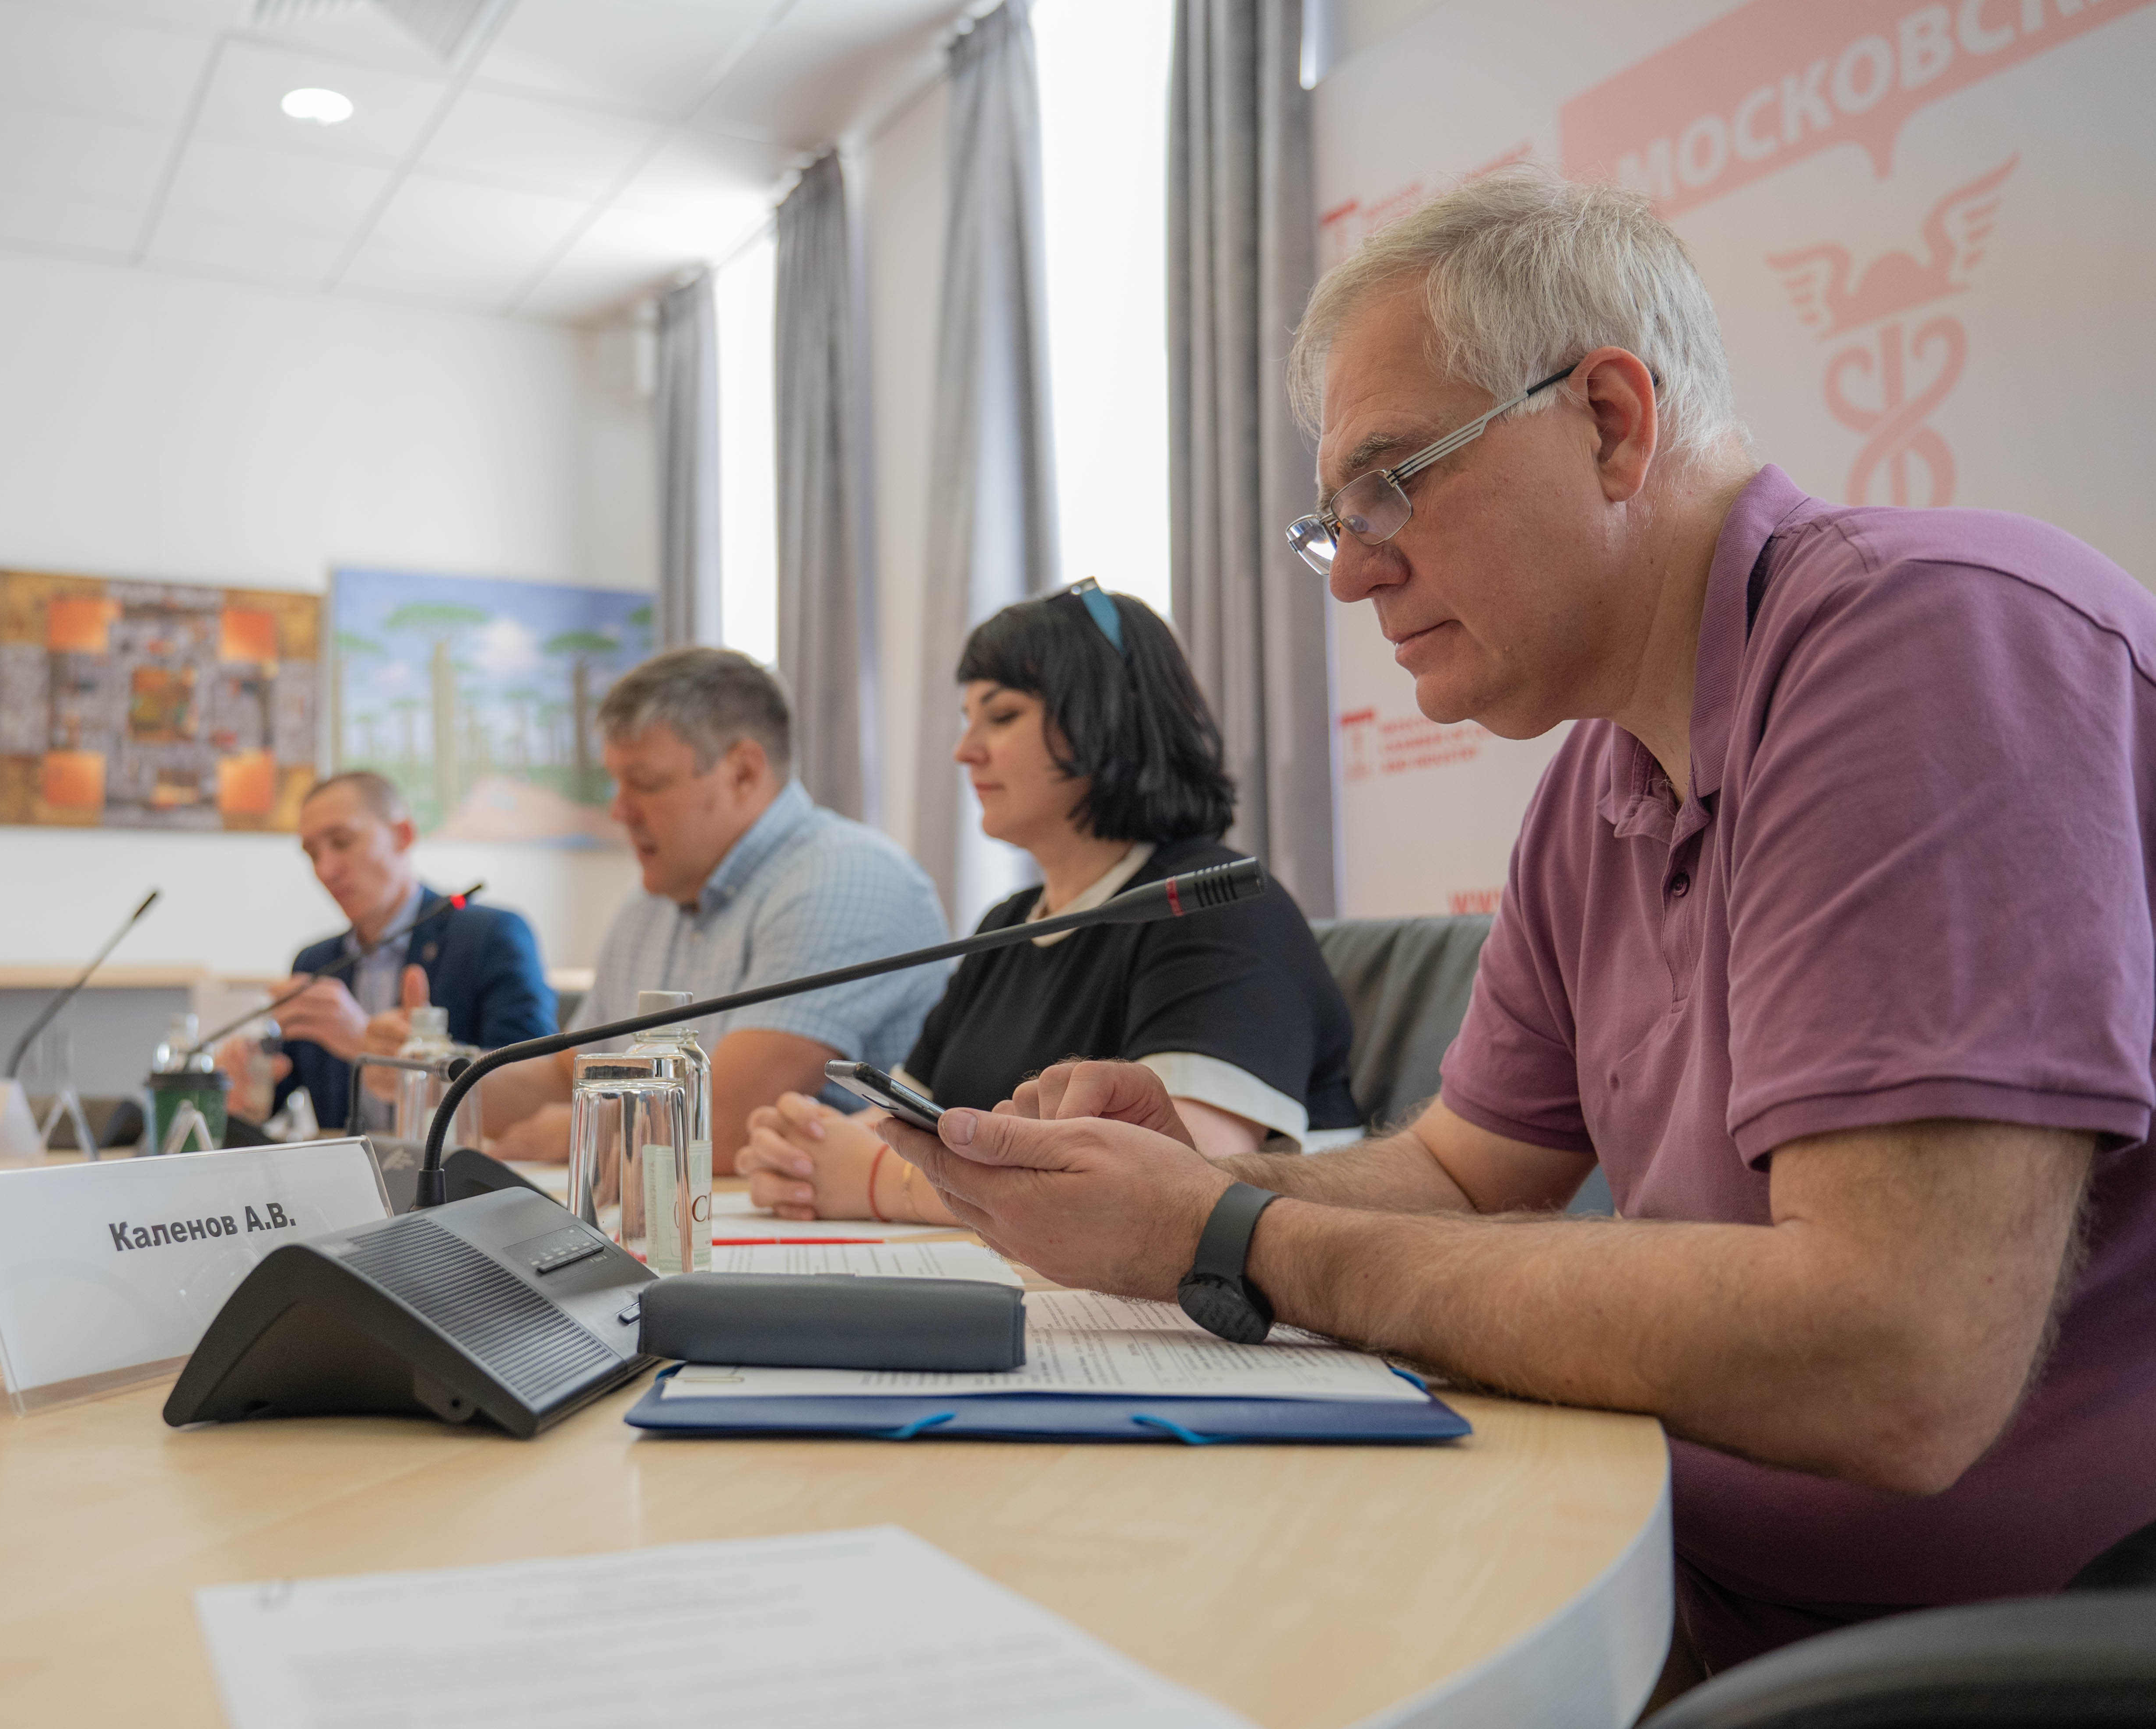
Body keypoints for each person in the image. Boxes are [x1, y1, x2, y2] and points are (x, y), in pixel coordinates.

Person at [879, 168, 2156, 1683]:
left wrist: (1231, 1234)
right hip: (1655, 1567)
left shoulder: (1929, 639)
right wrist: (1190, 1188)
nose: (1354, 575)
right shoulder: (1594, 782)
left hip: (1956, 1661)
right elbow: (1458, 1175)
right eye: (1333, 523)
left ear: (1609, 422)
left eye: (1388, 487)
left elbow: (1894, 1356)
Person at [736, 581, 1361, 1224]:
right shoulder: (1005, 926)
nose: (964, 750)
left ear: (1108, 718)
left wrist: (876, 1182)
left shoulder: (1210, 908)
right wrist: (798, 1153)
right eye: (967, 719)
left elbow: (1173, 1182)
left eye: (1002, 715)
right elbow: (899, 1127)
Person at [478, 647, 948, 1171]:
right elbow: (564, 1079)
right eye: (615, 782)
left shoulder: (846, 878)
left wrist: (586, 1131)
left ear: (742, 773)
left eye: (645, 782)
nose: (619, 810)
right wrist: (438, 1075)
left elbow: (725, 1124)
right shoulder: (649, 906)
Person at [222, 772, 553, 1133]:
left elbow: (535, 1085)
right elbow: (273, 1095)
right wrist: (247, 1080)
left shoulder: (491, 936)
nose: (325, 870)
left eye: (342, 842)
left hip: (451, 1165)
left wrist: (368, 1042)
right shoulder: (316, 963)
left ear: (403, 835)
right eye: (312, 854)